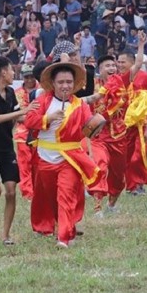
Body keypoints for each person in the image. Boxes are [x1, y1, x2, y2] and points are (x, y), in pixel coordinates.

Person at [24, 60, 99, 248]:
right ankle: (66, 228)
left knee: (65, 195)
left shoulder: (80, 105)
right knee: (51, 197)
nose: (65, 86)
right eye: (61, 82)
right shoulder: (42, 100)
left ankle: (63, 238)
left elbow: (88, 128)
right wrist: (47, 118)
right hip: (45, 157)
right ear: (53, 84)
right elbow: (29, 121)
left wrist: (96, 126)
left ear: (74, 84)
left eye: (68, 82)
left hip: (69, 158)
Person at [0, 56, 38, 245]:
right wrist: (23, 111)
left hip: (6, 150)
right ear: (3, 72)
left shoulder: (11, 93)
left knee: (11, 192)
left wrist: (43, 118)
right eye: (12, 70)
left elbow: (21, 118)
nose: (14, 73)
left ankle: (5, 236)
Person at [85, 33, 145, 216]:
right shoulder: (93, 85)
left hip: (120, 136)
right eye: (107, 65)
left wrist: (141, 45)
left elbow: (138, 65)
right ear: (100, 70)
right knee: (100, 167)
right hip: (99, 136)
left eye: (114, 64)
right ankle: (97, 207)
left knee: (118, 177)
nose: (112, 67)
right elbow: (88, 99)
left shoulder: (121, 82)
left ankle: (111, 204)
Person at [120, 48, 147, 196]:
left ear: (132, 63)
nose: (119, 64)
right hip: (124, 125)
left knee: (139, 154)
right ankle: (131, 186)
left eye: (123, 62)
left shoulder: (146, 78)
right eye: (118, 62)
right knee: (127, 156)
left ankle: (139, 183)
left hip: (142, 124)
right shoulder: (119, 79)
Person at [13, 64, 39, 201]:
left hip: (40, 134)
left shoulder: (42, 90)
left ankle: (38, 190)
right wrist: (33, 117)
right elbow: (18, 116)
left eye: (32, 76)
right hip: (22, 134)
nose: (29, 80)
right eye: (26, 77)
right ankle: (28, 194)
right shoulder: (16, 93)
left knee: (37, 164)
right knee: (24, 165)